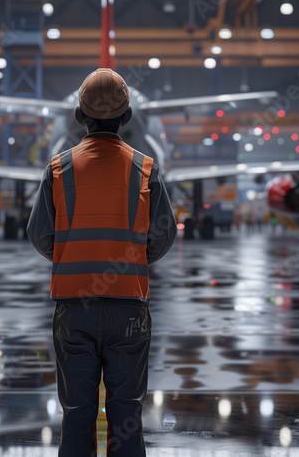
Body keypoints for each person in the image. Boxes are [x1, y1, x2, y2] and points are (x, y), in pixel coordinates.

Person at [27, 68, 177, 457]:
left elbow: (40, 234)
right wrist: (130, 262)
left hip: (73, 307)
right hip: (129, 307)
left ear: (80, 116)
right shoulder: (146, 168)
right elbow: (163, 237)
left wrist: (73, 256)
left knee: (77, 415)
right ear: (126, 118)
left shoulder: (57, 169)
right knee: (127, 415)